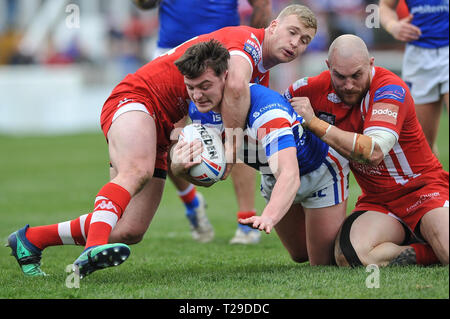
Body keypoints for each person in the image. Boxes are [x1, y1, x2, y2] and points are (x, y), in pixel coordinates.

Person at [7, 4, 317, 278]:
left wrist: (187, 163)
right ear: (273, 26)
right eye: (292, 32)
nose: (295, 43)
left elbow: (199, 156)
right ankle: (93, 249)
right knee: (136, 170)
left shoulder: (259, 75)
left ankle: (31, 240)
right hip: (137, 97)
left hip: (165, 123)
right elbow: (235, 84)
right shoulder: (247, 45)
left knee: (130, 229)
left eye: (304, 40)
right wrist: (232, 150)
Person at [171, 39, 349, 265]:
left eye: (205, 86)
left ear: (226, 76)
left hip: (319, 172)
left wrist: (269, 216)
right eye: (191, 87)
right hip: (274, 177)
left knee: (325, 262)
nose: (196, 96)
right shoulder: (199, 111)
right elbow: (215, 175)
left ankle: (360, 232)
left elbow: (289, 173)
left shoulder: (266, 109)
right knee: (299, 255)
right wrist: (180, 168)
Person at [289, 34, 449, 267]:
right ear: (328, 67)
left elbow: (373, 152)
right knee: (349, 257)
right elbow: (268, 108)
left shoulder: (390, 88)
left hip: (423, 191)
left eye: (356, 75)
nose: (348, 84)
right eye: (340, 76)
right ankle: (425, 250)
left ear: (371, 64)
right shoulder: (311, 89)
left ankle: (435, 239)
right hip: (379, 201)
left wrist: (314, 123)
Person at [134, 0, 273, 244]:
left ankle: (247, 222)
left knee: (234, 132)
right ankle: (191, 202)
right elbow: (144, 4)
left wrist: (250, 55)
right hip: (171, 53)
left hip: (221, 51)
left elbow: (261, 4)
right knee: (167, 139)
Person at [379, 0, 449, 156]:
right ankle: (437, 181)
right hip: (419, 55)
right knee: (423, 145)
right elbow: (385, 6)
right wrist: (393, 26)